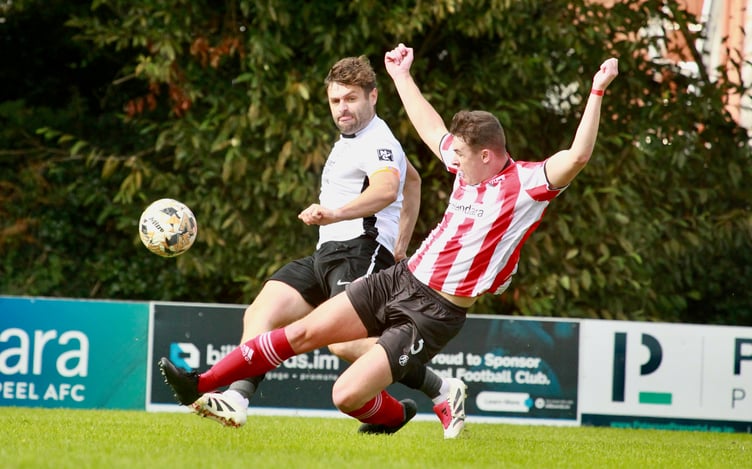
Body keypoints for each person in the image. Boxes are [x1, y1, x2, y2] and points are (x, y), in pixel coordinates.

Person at [160, 43, 618, 437]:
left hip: (434, 312)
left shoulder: (527, 185)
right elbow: (429, 128)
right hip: (400, 278)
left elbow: (577, 155)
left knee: (346, 394)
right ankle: (199, 385)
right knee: (299, 331)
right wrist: (401, 73)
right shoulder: (465, 167)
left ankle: (422, 401)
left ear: (486, 154)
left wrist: (596, 91)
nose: (451, 160)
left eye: (459, 154)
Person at [184, 55, 469, 438]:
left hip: (360, 250)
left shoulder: (378, 140)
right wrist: (403, 242)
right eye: (336, 101)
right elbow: (412, 180)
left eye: (351, 98)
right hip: (327, 253)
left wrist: (338, 215)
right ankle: (237, 401)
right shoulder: (352, 141)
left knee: (346, 344)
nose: (342, 108)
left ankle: (442, 389)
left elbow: (387, 188)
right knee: (262, 310)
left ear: (373, 96)